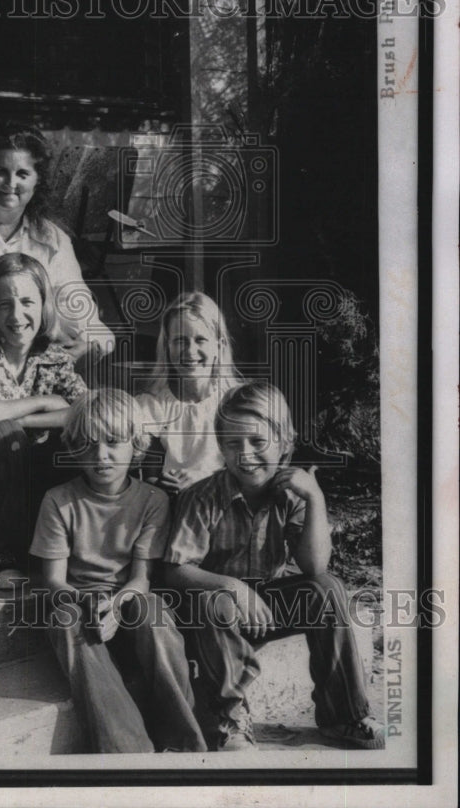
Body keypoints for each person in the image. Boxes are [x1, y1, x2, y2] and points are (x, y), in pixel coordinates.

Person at [164, 381, 385, 751]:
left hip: (264, 607)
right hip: (211, 615)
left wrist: (314, 497)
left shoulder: (290, 494)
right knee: (213, 603)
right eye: (233, 444)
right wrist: (232, 587)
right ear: (221, 447)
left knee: (327, 588)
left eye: (257, 442)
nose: (245, 454)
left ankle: (343, 716)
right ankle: (230, 720)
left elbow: (314, 566)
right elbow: (174, 570)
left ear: (284, 441)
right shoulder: (202, 498)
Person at [30, 389, 208, 754]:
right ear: (74, 448)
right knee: (66, 622)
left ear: (137, 445)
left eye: (113, 442)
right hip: (76, 599)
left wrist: (116, 603)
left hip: (129, 596)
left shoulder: (152, 501)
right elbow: (53, 581)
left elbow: (141, 579)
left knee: (155, 617)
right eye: (88, 444)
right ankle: (127, 752)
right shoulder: (58, 500)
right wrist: (91, 602)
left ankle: (183, 743)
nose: (101, 456)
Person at [0, 252, 87, 589]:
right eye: (5, 304)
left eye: (26, 302)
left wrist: (25, 421)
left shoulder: (53, 357)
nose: (17, 314)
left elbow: (86, 411)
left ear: (42, 305)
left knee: (81, 438)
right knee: (5, 435)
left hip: (29, 471)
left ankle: (76, 547)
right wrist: (41, 402)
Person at [0, 122, 114, 363]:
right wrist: (47, 333)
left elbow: (77, 303)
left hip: (37, 350)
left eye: (22, 174)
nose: (10, 184)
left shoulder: (52, 237)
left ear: (38, 181)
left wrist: (89, 340)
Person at [136, 292, 242, 496]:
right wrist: (163, 483)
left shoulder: (235, 402)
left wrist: (204, 482)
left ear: (218, 347)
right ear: (167, 346)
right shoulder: (154, 405)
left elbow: (247, 467)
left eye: (200, 339)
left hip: (224, 502)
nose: (190, 351)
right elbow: (150, 474)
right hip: (173, 506)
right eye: (180, 341)